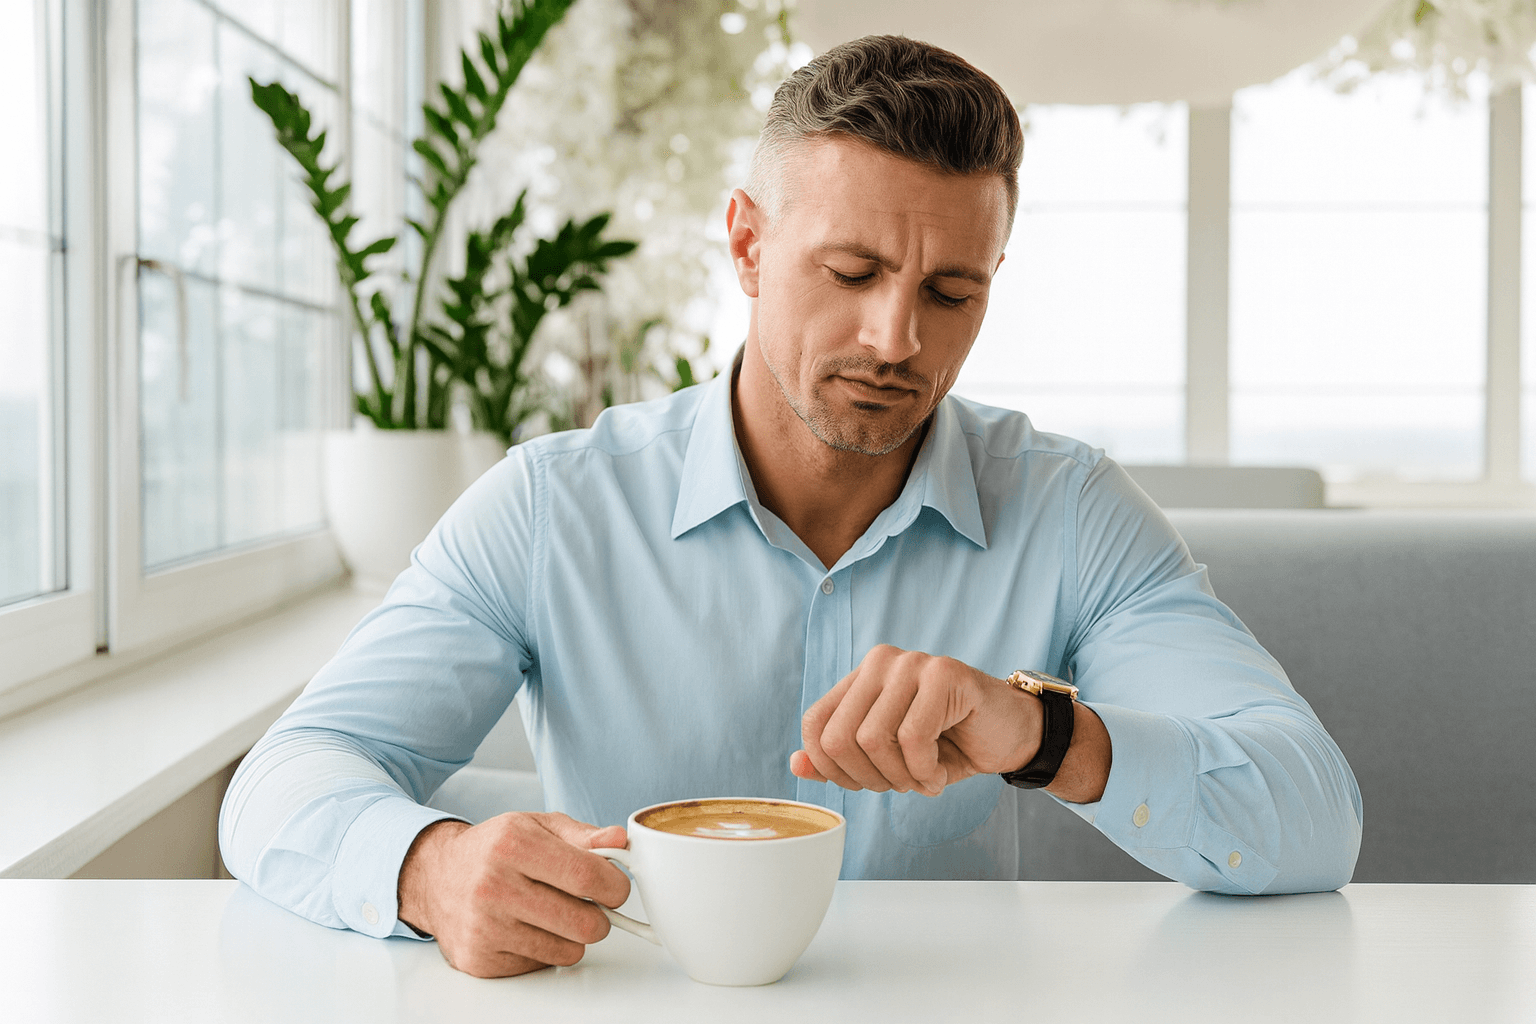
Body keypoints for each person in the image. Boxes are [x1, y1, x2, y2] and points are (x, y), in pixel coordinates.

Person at [220, 35, 1362, 979]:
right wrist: (430, 868)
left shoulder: (1071, 512)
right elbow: (289, 774)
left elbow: (1314, 815)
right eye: (852, 272)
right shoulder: (551, 506)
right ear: (749, 244)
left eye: (950, 291)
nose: (896, 338)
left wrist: (1041, 732)